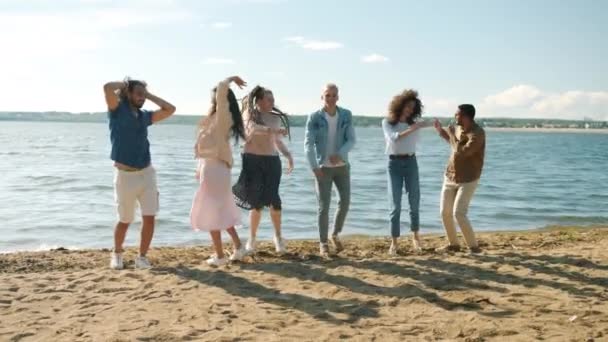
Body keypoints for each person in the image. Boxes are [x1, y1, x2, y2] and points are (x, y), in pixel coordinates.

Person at [103, 77, 176, 270]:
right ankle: (117, 254)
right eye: (139, 94)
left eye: (143, 94)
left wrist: (148, 94)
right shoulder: (117, 111)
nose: (142, 98)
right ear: (128, 93)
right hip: (125, 175)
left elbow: (170, 109)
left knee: (149, 217)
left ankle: (142, 257)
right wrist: (126, 86)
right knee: (125, 220)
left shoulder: (145, 116)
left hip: (147, 173)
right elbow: (107, 87)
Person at [191, 76, 248, 266]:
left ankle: (220, 255)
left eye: (218, 98)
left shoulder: (224, 117)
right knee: (219, 209)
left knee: (211, 211)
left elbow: (223, 92)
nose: (214, 101)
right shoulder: (214, 119)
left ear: (224, 100)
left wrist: (230, 79)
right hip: (212, 168)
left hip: (216, 169)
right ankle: (238, 247)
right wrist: (199, 167)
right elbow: (206, 147)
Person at [232, 85, 294, 255]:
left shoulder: (275, 118)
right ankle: (252, 238)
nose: (272, 102)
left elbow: (277, 141)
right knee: (256, 203)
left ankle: (278, 237)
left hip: (272, 161)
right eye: (269, 99)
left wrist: (288, 155)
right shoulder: (249, 115)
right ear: (258, 101)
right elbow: (252, 129)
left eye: (273, 100)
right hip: (252, 161)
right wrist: (272, 130)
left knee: (275, 200)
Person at [304, 83, 356, 257]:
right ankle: (323, 243)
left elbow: (351, 140)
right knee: (323, 207)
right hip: (322, 169)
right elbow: (308, 144)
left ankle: (334, 234)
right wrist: (314, 166)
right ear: (322, 97)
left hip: (342, 167)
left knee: (346, 202)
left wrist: (340, 154)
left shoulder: (346, 115)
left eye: (334, 95)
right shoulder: (314, 118)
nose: (331, 98)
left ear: (338, 97)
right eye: (328, 95)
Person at [382, 89, 436, 255]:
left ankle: (415, 237)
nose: (410, 109)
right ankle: (394, 242)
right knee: (395, 205)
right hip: (394, 164)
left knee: (414, 202)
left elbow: (430, 123)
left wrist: (437, 123)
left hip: (411, 162)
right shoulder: (387, 123)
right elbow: (394, 138)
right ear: (400, 105)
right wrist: (414, 128)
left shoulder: (415, 122)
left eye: (413, 107)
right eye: (407, 106)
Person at [434, 104, 486, 253]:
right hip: (450, 175)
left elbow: (462, 152)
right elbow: (452, 142)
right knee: (445, 212)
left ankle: (474, 248)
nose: (455, 116)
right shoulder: (457, 129)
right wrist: (440, 131)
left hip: (469, 178)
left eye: (457, 114)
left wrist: (450, 134)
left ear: (466, 117)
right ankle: (453, 244)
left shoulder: (478, 133)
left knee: (459, 213)